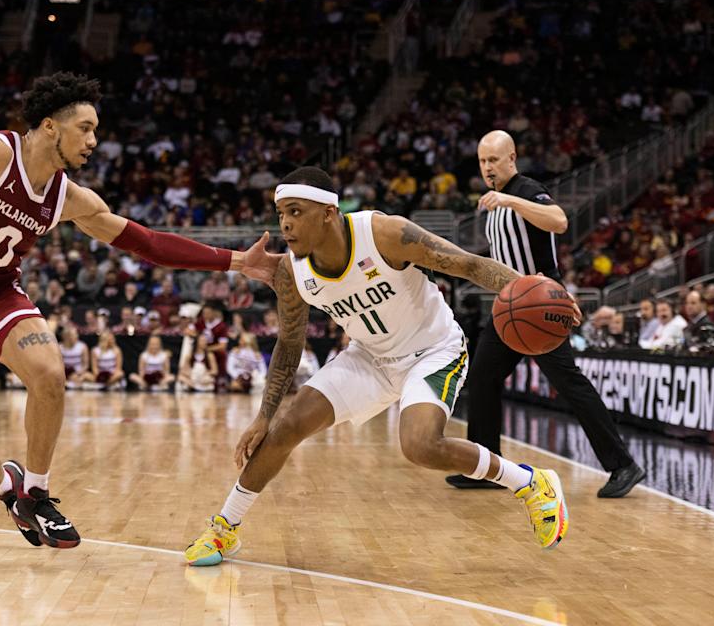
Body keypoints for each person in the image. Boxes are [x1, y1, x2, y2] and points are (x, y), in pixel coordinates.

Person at [0, 73, 278, 549]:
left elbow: (147, 243)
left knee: (50, 374)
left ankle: (37, 492)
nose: (94, 141)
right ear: (50, 126)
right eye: (86, 129)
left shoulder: (69, 199)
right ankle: (7, 491)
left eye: (96, 131)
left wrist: (237, 261)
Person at [184, 166, 572, 566]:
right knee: (285, 428)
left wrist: (538, 294)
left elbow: (469, 265)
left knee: (420, 445)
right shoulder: (291, 272)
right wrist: (263, 416)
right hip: (369, 356)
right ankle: (223, 530)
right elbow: (289, 344)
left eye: (296, 211)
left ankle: (529, 482)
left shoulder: (383, 234)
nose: (285, 223)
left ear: (328, 213)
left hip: (432, 350)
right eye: (281, 213)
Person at [445, 131, 644, 498]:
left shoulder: (524, 189)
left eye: (494, 160)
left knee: (570, 384)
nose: (488, 168)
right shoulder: (493, 202)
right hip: (509, 307)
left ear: (512, 158)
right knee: (483, 378)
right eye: (482, 161)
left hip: (540, 306)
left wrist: (510, 199)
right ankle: (487, 468)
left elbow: (559, 221)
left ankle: (623, 465)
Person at [59, 326, 90, 390]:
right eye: (72, 335)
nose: (76, 336)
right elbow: (58, 365)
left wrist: (78, 373)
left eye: (76, 334)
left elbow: (85, 365)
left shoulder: (82, 346)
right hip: (64, 373)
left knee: (89, 377)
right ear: (65, 336)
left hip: (78, 373)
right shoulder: (60, 347)